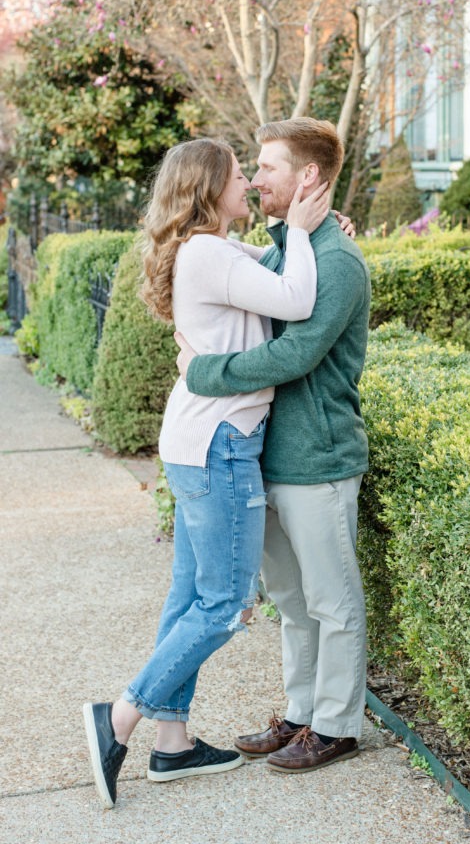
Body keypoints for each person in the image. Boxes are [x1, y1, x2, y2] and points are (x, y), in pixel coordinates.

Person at [83, 136, 332, 809]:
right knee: (224, 605)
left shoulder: (210, 251)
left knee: (190, 597)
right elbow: (298, 298)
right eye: (238, 174)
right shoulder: (207, 255)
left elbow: (272, 263)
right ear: (209, 187)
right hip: (220, 447)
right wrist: (306, 232)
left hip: (196, 442)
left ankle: (173, 743)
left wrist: (306, 233)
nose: (249, 180)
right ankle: (123, 718)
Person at [175, 117, 371, 774]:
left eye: (267, 167)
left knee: (333, 600)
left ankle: (338, 724)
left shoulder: (336, 261)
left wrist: (205, 373)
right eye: (252, 170)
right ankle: (300, 712)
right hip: (266, 456)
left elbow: (297, 351)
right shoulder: (293, 248)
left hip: (317, 459)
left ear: (308, 176)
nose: (255, 178)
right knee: (292, 600)